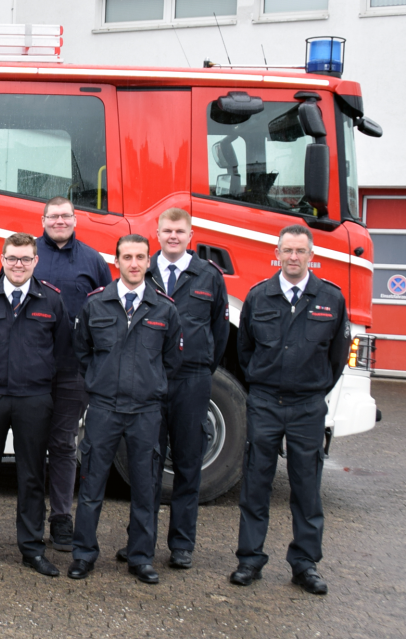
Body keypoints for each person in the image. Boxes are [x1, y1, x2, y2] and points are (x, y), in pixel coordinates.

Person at [230, 225, 348, 595]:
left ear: (312, 255)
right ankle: (250, 560)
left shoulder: (331, 298)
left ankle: (305, 563)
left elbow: (338, 357)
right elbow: (244, 350)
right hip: (264, 403)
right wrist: (262, 385)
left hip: (308, 407)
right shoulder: (258, 296)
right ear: (276, 254)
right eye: (287, 251)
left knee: (307, 488)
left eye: (300, 251)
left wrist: (312, 390)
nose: (293, 257)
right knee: (256, 485)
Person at [118, 209, 228, 570]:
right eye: (167, 230)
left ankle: (181, 544)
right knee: (146, 463)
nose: (173, 236)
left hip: (192, 381)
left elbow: (220, 333)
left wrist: (200, 368)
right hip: (149, 382)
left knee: (187, 462)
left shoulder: (209, 277)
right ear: (158, 233)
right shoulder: (142, 272)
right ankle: (141, 543)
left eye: (180, 231)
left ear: (191, 234)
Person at [68, 235, 181, 584]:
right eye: (127, 257)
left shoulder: (165, 308)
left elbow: (172, 361)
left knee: (146, 487)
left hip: (146, 411)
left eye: (140, 257)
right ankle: (84, 554)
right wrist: (102, 382)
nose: (134, 263)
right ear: (116, 261)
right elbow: (82, 352)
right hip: (103, 408)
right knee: (91, 485)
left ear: (149, 262)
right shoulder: (95, 305)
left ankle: (141, 557)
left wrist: (148, 385)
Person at [0, 232, 74, 577]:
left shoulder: (52, 300)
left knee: (31, 476)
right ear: (2, 260)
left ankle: (32, 548)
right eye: (12, 258)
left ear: (36, 261)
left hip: (34, 398)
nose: (18, 265)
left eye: (25, 258)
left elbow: (64, 350)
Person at [32, 196, 112, 551]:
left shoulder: (93, 260)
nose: (60, 221)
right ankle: (30, 517)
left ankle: (61, 518)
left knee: (63, 445)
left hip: (71, 370)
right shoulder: (28, 253)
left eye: (66, 216)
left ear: (75, 219)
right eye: (54, 216)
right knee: (31, 445)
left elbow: (105, 310)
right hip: (30, 370)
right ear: (43, 219)